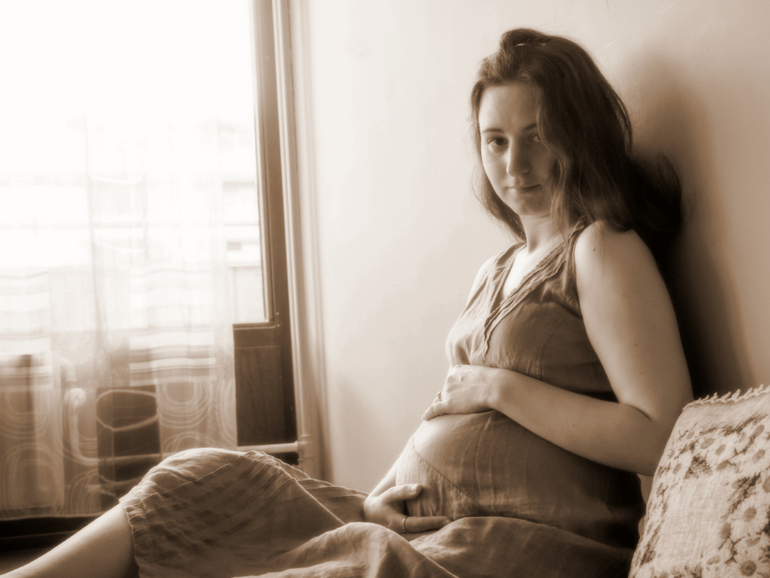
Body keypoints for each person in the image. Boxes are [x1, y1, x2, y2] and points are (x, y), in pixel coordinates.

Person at [6, 28, 692, 578]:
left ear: (579, 133)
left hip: (519, 543)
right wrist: (375, 499)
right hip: (423, 524)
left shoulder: (600, 248)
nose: (515, 165)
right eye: (496, 140)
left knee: (352, 562)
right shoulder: (498, 268)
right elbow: (448, 419)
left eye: (537, 135)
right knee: (200, 477)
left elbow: (661, 434)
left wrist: (498, 387)